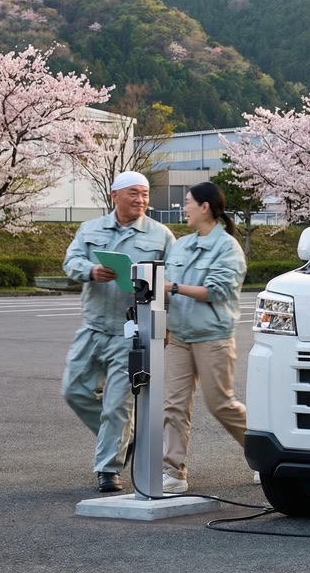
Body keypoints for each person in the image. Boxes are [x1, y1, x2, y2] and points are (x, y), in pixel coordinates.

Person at [62, 171, 176, 493]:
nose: (141, 200)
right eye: (133, 193)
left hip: (132, 331)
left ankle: (108, 468)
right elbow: (70, 261)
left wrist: (166, 323)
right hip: (93, 327)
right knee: (73, 390)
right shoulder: (90, 229)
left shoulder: (161, 236)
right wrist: (91, 270)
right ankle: (124, 437)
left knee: (117, 405)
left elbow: (170, 283)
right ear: (115, 195)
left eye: (145, 194)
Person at [161, 182, 249, 493]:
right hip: (180, 336)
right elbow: (166, 285)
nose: (183, 208)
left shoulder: (227, 247)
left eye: (187, 202)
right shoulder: (181, 245)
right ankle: (173, 472)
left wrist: (173, 288)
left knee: (221, 404)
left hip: (213, 337)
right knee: (173, 405)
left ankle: (264, 454)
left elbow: (217, 291)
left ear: (204, 207)